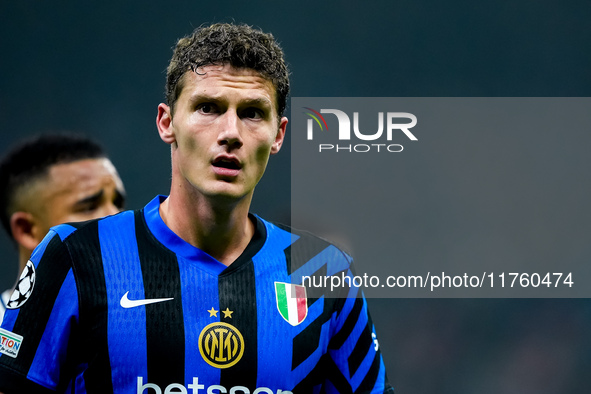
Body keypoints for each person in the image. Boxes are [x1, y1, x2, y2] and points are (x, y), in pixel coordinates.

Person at [0, 23, 393, 393]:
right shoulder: (75, 256)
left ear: (279, 135)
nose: (230, 133)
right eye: (208, 107)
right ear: (167, 122)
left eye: (252, 113)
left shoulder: (322, 271)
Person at [0, 133, 126, 321]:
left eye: (118, 203)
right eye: (90, 207)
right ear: (27, 229)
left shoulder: (146, 329)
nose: (119, 218)